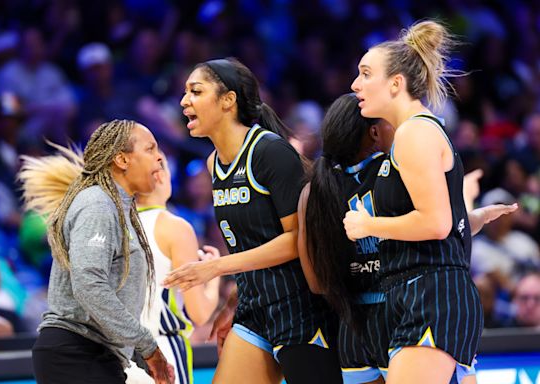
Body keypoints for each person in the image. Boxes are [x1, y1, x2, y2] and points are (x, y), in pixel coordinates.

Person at [298, 93, 518, 384]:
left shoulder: (315, 189)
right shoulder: (392, 171)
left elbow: (316, 282)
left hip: (352, 326)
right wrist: (465, 204)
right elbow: (433, 227)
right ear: (374, 132)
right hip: (401, 310)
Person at [168, 58, 341, 383]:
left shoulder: (270, 152)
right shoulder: (213, 163)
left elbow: (294, 240)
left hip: (300, 309)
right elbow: (250, 242)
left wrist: (218, 267)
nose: (184, 101)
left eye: (195, 91)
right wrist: (233, 300)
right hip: (254, 308)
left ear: (227, 100)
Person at [342, 20, 483, 384]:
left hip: (432, 294)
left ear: (395, 83)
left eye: (365, 74)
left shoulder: (414, 132)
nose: (355, 85)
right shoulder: (411, 133)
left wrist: (368, 226)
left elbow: (436, 223)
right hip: (417, 292)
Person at [18, 119, 174, 384]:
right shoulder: (97, 204)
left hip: (92, 353)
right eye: (150, 149)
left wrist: (135, 352)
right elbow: (89, 284)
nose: (159, 157)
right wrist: (147, 346)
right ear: (122, 160)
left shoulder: (117, 207)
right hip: (76, 353)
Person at [128, 154, 220, 384]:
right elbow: (200, 313)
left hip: (121, 354)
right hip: (162, 350)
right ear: (159, 175)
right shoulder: (175, 228)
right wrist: (213, 274)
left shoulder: (115, 224)